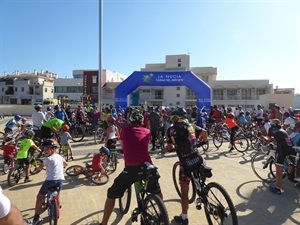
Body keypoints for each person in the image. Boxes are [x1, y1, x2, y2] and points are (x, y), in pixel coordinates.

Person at [99, 111, 163, 225]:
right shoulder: (147, 131)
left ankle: (103, 223)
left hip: (131, 169)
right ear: (141, 121)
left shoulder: (125, 130)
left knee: (111, 194)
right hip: (148, 167)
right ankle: (162, 215)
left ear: (130, 121)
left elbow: (124, 145)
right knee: (157, 190)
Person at [167, 107, 207, 225]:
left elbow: (169, 147)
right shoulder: (192, 126)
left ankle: (184, 217)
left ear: (176, 118)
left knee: (184, 191)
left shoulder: (171, 130)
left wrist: (171, 149)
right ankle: (204, 191)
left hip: (186, 163)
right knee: (202, 180)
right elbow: (204, 132)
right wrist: (202, 143)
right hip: (198, 159)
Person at [32, 139, 68, 225]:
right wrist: (62, 166)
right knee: (57, 195)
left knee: (39, 197)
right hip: (60, 180)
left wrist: (37, 170)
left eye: (47, 149)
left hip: (50, 181)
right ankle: (57, 212)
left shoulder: (48, 159)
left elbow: (40, 166)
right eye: (44, 149)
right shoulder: (59, 156)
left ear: (53, 149)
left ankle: (36, 217)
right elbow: (66, 164)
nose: (45, 151)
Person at [267, 119, 296, 195]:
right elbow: (280, 139)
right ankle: (291, 168)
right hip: (291, 147)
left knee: (279, 169)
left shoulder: (271, 129)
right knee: (290, 162)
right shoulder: (282, 130)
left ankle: (277, 188)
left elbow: (269, 139)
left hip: (282, 149)